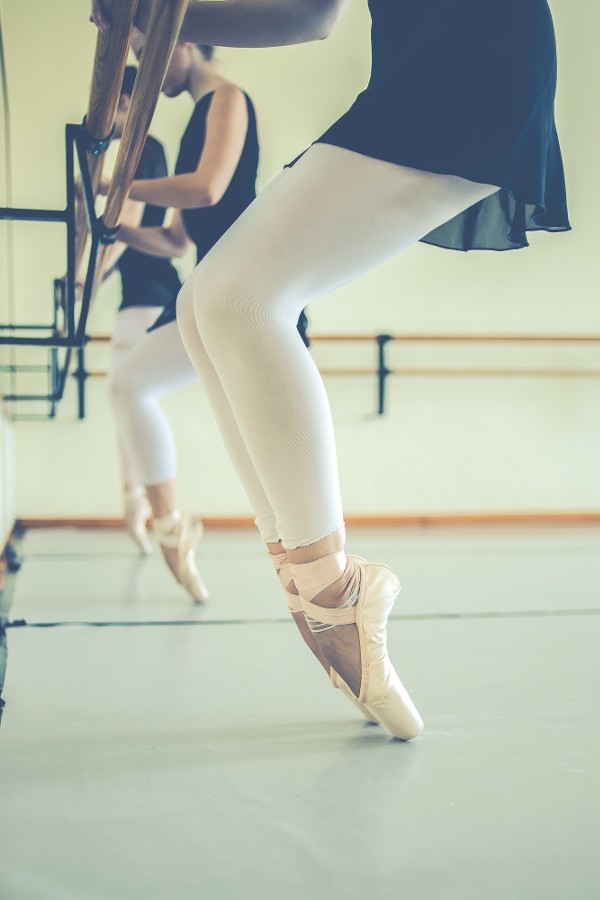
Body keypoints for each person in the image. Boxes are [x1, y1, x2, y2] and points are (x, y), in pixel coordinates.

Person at [92, 0, 570, 739]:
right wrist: (147, 18)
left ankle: (332, 590)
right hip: (431, 67)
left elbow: (310, 14)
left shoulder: (225, 101)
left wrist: (149, 15)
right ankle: (303, 579)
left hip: (470, 60)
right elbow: (315, 13)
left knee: (240, 301)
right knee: (203, 306)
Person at [106, 38, 261, 602]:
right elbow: (175, 240)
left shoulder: (227, 99)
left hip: (244, 296)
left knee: (259, 451)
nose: (143, 69)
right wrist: (114, 228)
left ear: (186, 41)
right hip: (208, 294)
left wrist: (117, 188)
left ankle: (326, 578)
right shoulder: (197, 118)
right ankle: (172, 528)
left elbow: (207, 188)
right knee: (128, 384)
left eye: (147, 52)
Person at [99, 65, 183, 556]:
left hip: (150, 292)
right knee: (123, 398)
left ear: (128, 103)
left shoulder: (143, 149)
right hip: (139, 293)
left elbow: (121, 228)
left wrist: (90, 279)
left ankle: (151, 508)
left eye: (113, 103)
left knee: (129, 395)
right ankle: (134, 500)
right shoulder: (131, 153)